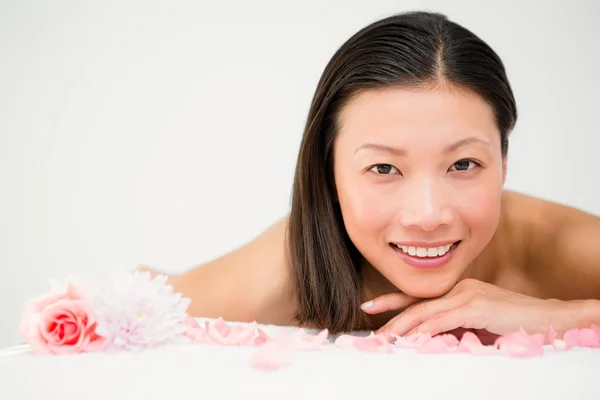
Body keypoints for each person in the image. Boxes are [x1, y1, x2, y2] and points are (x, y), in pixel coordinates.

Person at [147, 11, 600, 341]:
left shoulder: (558, 247)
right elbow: (129, 301)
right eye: (384, 168)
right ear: (329, 176)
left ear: (503, 163)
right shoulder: (284, 273)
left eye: (463, 165)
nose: (427, 216)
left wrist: (561, 315)